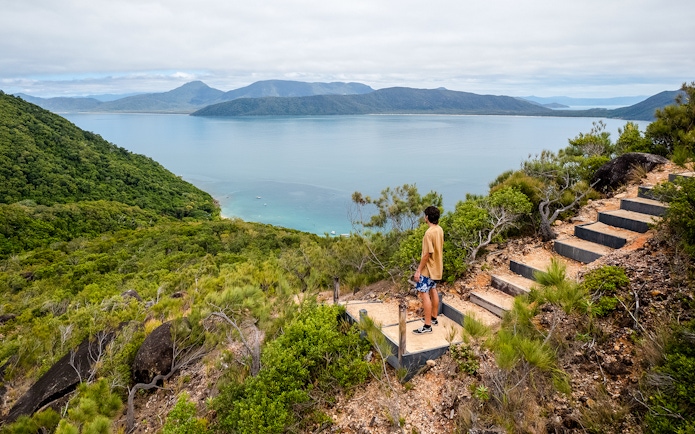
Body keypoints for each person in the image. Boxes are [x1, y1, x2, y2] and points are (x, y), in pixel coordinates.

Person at [413, 205, 444, 334]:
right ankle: (434, 318)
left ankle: (427, 326)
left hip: (427, 269)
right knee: (433, 290)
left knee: (424, 294)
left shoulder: (428, 233)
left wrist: (418, 270)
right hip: (436, 268)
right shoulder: (439, 229)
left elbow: (427, 254)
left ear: (427, 217)